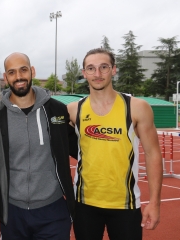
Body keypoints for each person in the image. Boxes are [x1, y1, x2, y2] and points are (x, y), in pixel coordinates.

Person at [67, 48, 163, 240]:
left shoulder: (136, 108)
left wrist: (155, 203)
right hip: (84, 203)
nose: (98, 74)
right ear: (84, 73)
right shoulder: (72, 110)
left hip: (125, 204)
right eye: (91, 69)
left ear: (113, 70)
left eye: (104, 67)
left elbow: (153, 154)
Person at [0, 52, 75, 240]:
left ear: (32, 71)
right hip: (12, 211)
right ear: (5, 77)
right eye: (12, 72)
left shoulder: (57, 110)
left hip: (53, 209)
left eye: (23, 70)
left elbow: (80, 148)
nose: (18, 77)